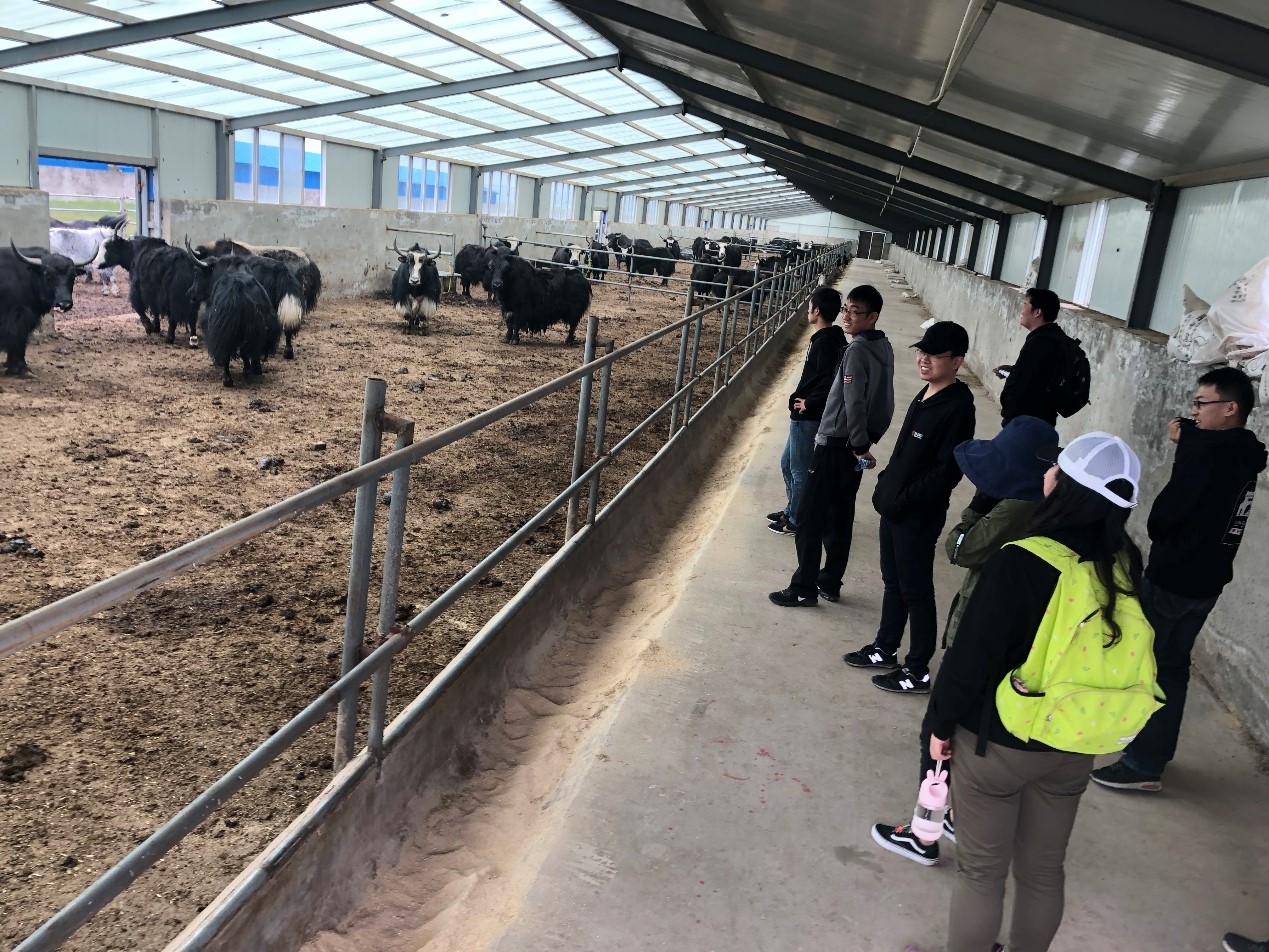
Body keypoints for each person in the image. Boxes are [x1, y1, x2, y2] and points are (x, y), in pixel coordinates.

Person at [925, 432, 1147, 952]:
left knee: (982, 873)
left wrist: (939, 725)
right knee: (1044, 871)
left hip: (999, 740)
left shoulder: (1021, 559)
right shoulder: (1123, 562)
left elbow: (970, 660)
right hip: (1073, 740)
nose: (1047, 474)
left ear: (1067, 487)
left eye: (1057, 469)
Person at [868, 415, 1058, 866]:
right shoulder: (1053, 506)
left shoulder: (1016, 506)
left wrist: (975, 512)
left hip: (983, 631)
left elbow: (962, 549)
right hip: (1022, 642)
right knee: (977, 733)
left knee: (939, 733)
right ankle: (958, 816)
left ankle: (924, 834)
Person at [1092, 366, 1266, 792]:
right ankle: (1151, 756)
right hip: (1208, 582)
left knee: (1144, 665)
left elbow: (1165, 517)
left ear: (1230, 408)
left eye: (1202, 404)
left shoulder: (1204, 453)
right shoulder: (1246, 451)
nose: (1195, 412)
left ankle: (1139, 762)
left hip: (1173, 578)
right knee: (1171, 668)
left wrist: (1185, 449)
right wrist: (1189, 442)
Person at [842, 321, 975, 692]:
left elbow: (947, 473)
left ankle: (917, 670)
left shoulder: (958, 408)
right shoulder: (926, 392)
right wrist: (887, 484)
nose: (924, 360)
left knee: (916, 590)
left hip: (917, 515)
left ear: (957, 361)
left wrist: (903, 500)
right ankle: (885, 648)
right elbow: (904, 452)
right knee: (893, 582)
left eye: (934, 355)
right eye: (922, 352)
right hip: (896, 508)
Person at [769, 284, 894, 607]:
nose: (847, 317)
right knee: (840, 515)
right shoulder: (883, 347)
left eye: (856, 312)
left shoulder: (856, 351)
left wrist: (859, 443)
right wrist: (870, 437)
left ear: (873, 316)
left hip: (837, 444)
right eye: (846, 310)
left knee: (810, 517)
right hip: (855, 445)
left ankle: (803, 587)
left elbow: (853, 400)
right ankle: (830, 581)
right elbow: (886, 401)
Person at [767, 287, 846, 536]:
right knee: (787, 463)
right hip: (806, 414)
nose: (807, 310)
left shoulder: (825, 342)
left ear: (817, 310)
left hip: (808, 416)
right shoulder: (830, 338)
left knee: (799, 469)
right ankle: (792, 509)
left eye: (810, 305)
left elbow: (829, 380)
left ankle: (796, 520)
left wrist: (809, 403)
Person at [993, 287, 1069, 426]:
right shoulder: (1054, 337)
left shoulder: (1040, 342)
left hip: (1025, 422)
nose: (1021, 311)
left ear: (1037, 312)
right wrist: (1014, 370)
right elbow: (1040, 375)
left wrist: (1009, 416)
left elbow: (1024, 386)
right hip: (1041, 419)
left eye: (1025, 305)